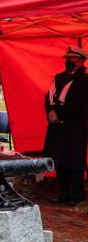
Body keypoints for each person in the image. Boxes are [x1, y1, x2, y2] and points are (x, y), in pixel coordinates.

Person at [44, 46, 88, 206]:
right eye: (66, 59)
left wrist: (59, 114)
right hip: (56, 126)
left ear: (80, 61)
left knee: (74, 160)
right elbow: (48, 97)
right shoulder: (59, 77)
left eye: (71, 59)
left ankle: (76, 194)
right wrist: (50, 113)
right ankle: (64, 192)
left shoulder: (84, 80)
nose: (67, 61)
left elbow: (78, 103)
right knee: (59, 159)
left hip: (74, 127)